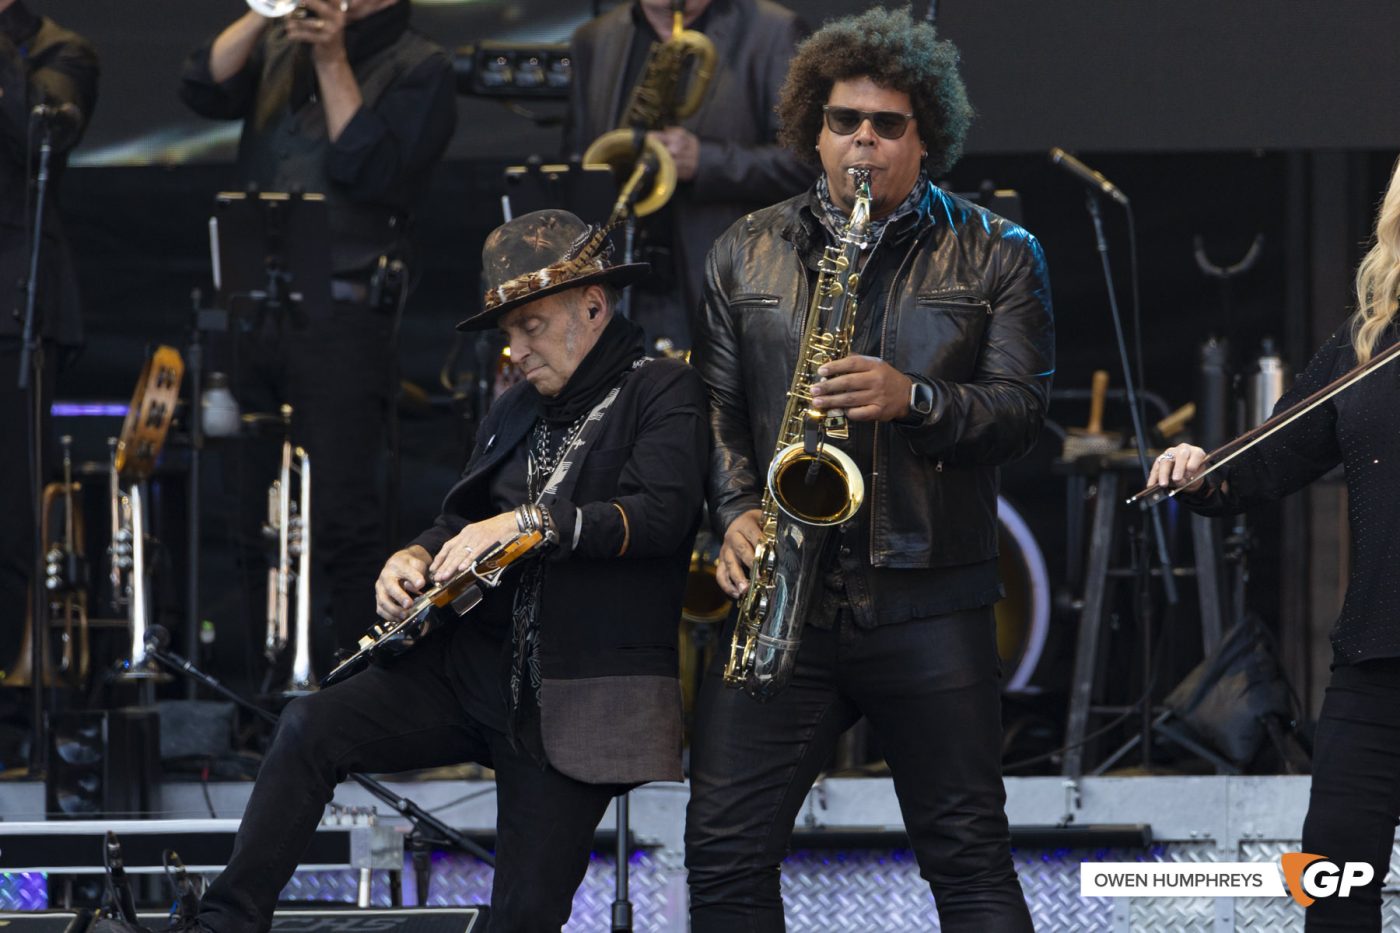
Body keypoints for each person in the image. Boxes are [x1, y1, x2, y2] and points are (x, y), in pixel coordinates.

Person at [177, 209, 708, 933]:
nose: (516, 350)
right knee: (310, 724)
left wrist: (532, 523)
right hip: (469, 667)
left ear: (593, 303)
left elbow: (661, 516)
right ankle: (224, 923)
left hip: (576, 694)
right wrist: (415, 555)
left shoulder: (664, 389)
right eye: (509, 332)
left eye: (532, 326)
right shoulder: (517, 403)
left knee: (522, 914)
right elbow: (463, 516)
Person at [685, 7, 1053, 931]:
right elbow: (719, 415)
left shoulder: (1000, 252)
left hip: (931, 600)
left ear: (926, 140)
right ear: (812, 129)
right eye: (845, 121)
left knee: (967, 855)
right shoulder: (743, 251)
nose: (863, 142)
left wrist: (914, 399)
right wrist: (733, 510)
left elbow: (1019, 415)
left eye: (888, 126)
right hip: (783, 598)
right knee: (723, 856)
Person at [1149, 157, 1400, 933]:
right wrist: (1202, 473)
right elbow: (1269, 457)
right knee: (1332, 866)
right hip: (1378, 657)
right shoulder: (1369, 342)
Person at [178, 0, 456, 665]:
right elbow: (200, 85)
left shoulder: (421, 65)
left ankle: (356, 687)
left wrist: (332, 57)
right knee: (246, 513)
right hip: (252, 308)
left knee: (342, 517)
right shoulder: (281, 42)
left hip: (343, 317)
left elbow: (371, 171)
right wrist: (261, 9)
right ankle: (260, 690)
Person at [564, 0, 812, 354]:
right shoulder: (594, 38)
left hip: (722, 285)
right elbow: (577, 161)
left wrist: (704, 161)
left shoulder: (774, 32)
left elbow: (806, 164)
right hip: (619, 286)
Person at [0, 0, 97, 680]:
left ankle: (9, 709)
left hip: (13, 310)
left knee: (9, 519)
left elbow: (41, 138)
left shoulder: (60, 52)